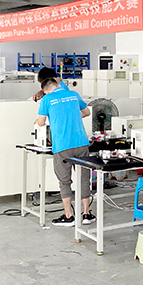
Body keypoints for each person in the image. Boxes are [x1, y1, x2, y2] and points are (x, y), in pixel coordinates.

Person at [35, 77, 95, 227]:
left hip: (62, 146)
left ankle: (69, 216)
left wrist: (38, 121)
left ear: (45, 90)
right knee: (84, 179)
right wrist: (72, 117)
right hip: (81, 143)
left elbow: (41, 122)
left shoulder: (47, 99)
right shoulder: (74, 95)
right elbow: (87, 112)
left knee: (64, 181)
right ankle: (86, 214)